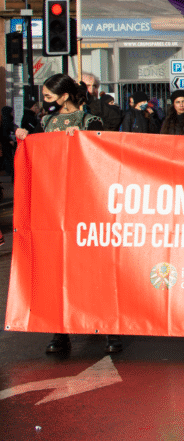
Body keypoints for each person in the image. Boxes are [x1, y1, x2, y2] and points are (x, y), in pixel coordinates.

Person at [15, 74, 121, 354]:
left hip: (86, 207)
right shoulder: (46, 123)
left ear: (64, 97)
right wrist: (27, 140)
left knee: (95, 270)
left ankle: (109, 329)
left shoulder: (90, 122)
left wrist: (84, 143)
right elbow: (40, 159)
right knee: (57, 270)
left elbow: (104, 158)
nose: (44, 103)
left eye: (49, 97)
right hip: (54, 208)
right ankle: (60, 332)